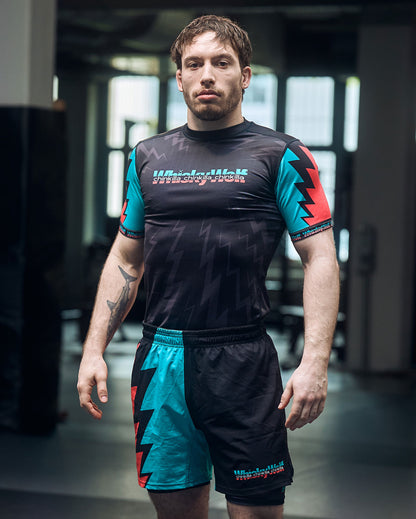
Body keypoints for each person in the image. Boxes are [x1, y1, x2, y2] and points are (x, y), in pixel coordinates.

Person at [77, 14, 340, 519]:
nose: (207, 75)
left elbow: (320, 257)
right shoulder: (147, 156)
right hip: (161, 361)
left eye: (222, 63)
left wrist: (315, 362)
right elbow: (126, 257)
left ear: (245, 75)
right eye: (194, 64)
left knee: (257, 511)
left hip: (242, 359)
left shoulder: (283, 155)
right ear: (178, 78)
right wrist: (93, 350)